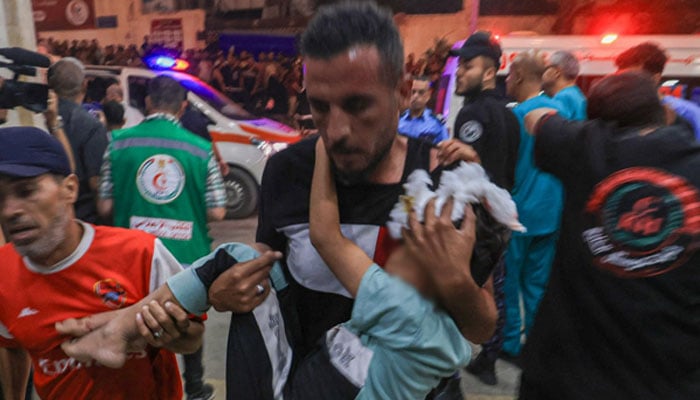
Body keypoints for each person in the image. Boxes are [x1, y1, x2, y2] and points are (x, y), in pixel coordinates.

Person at [207, 3, 496, 399]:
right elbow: (267, 265)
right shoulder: (287, 172)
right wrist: (227, 292)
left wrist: (455, 282)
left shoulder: (445, 180)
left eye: (358, 105)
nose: (337, 130)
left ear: (402, 92)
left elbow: (481, 327)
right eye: (320, 107)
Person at [520, 71, 700, 399]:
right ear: (665, 111)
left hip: (564, 377)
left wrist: (588, 132)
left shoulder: (583, 147)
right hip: (667, 377)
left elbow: (535, 116)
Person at [0, 126, 203, 399]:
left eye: (26, 191)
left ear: (69, 189)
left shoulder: (140, 253)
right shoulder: (3, 273)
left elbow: (193, 338)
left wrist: (159, 331)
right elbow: (11, 344)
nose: (10, 210)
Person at [97, 75, 227, 400]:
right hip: (186, 258)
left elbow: (105, 204)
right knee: (187, 324)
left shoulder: (117, 143)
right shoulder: (200, 149)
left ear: (149, 103)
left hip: (131, 260)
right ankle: (195, 387)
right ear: (182, 107)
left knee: (135, 325)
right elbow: (218, 212)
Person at [441, 30, 521, 385]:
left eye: (467, 67)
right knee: (495, 289)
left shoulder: (472, 114)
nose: (460, 73)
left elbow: (469, 172)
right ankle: (488, 359)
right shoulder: (509, 112)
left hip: (475, 220)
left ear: (489, 73)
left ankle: (450, 362)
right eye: (460, 66)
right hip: (500, 217)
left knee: (459, 290)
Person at [501, 50, 566, 361]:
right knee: (538, 284)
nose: (508, 81)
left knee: (510, 283)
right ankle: (537, 347)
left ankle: (511, 345)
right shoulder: (560, 111)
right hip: (551, 211)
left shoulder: (517, 115)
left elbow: (507, 165)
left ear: (520, 77)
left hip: (520, 212)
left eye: (510, 75)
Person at [48, 57, 109, 224]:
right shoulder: (92, 125)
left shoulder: (37, 116)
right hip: (83, 219)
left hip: (47, 214)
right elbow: (97, 183)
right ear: (84, 85)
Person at [615, 41, 700, 140]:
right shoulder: (613, 111)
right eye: (620, 77)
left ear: (655, 78)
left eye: (633, 77)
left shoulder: (687, 112)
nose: (624, 83)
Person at [398, 76, 449, 145]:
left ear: (428, 95)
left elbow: (444, 149)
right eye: (413, 92)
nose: (415, 96)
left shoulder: (437, 123)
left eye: (421, 93)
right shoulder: (398, 120)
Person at [541, 50, 587, 121]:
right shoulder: (576, 94)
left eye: (546, 68)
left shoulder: (563, 98)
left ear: (556, 72)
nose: (542, 74)